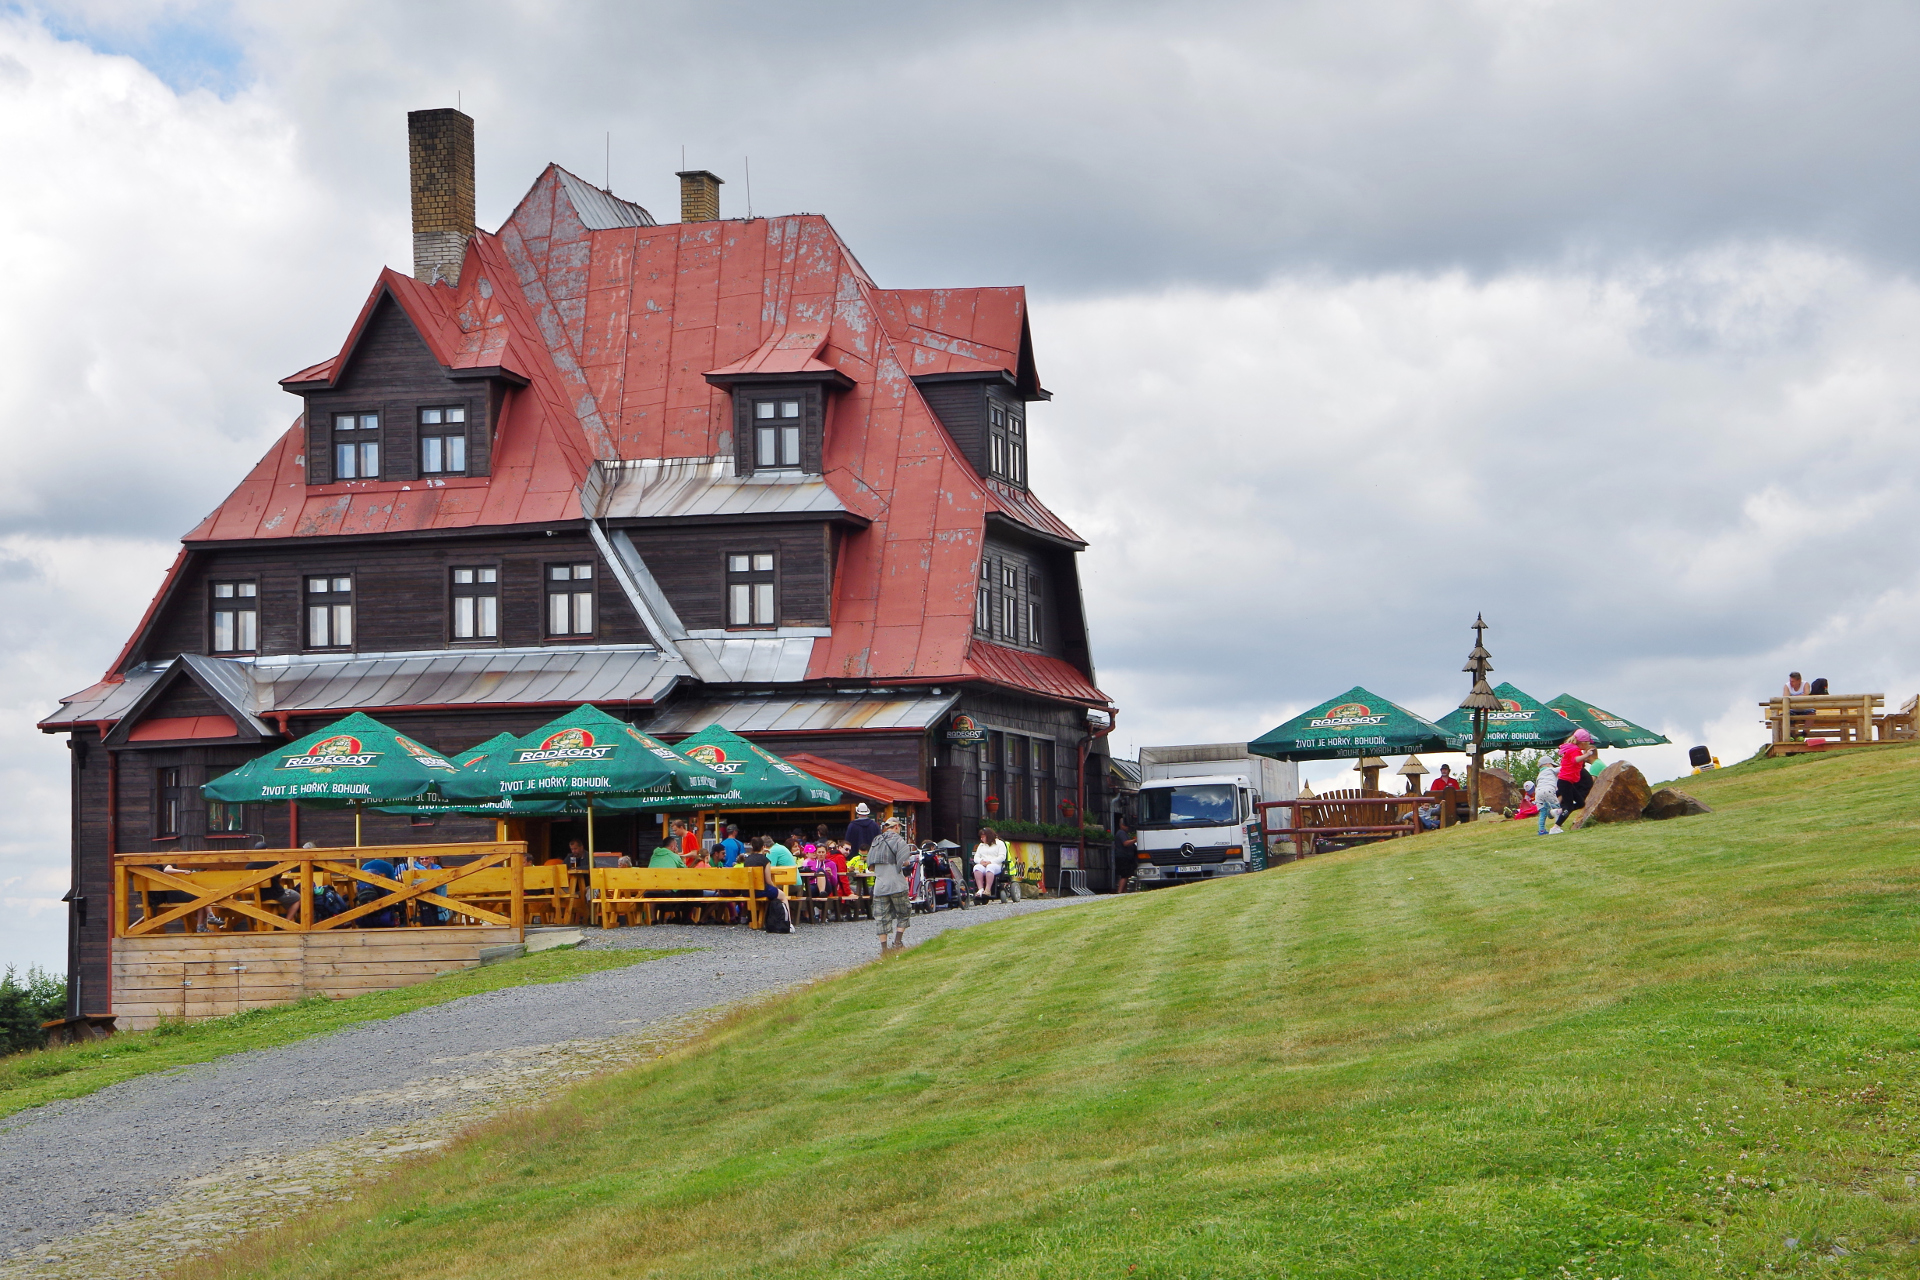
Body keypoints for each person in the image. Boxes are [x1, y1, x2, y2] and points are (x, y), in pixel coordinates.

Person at [868, 816, 915, 954]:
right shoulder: (899, 841)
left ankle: (884, 950)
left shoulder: (876, 841)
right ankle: (897, 942)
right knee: (904, 912)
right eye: (899, 827)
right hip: (897, 884)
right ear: (896, 827)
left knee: (881, 917)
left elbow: (870, 867)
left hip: (880, 886)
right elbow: (904, 862)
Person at [1548, 729, 1598, 834]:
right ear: (1582, 742)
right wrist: (1587, 755)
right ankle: (1555, 827)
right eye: (1588, 742)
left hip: (1568, 782)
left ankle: (1559, 812)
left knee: (1580, 803)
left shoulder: (1573, 749)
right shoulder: (1574, 750)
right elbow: (1575, 760)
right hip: (1565, 782)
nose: (1588, 745)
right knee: (1569, 806)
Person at [972, 827, 1006, 901]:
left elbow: (1002, 857)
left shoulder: (1000, 844)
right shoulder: (981, 846)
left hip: (996, 865)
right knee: (977, 867)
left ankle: (987, 890)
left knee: (990, 867)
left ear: (988, 836)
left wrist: (990, 862)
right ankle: (980, 889)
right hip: (984, 865)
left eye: (983, 837)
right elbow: (976, 857)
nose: (981, 839)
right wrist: (981, 861)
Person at [1535, 757, 1560, 837]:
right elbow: (1563, 768)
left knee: (1542, 813)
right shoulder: (1551, 770)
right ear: (1548, 764)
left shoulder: (1539, 775)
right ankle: (1551, 809)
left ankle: (1541, 830)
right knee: (1558, 807)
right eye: (1552, 765)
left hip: (1538, 793)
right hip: (1548, 790)